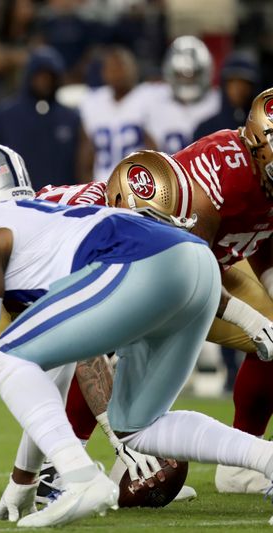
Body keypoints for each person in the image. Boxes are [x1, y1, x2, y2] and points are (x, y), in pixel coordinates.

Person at [0, 148, 200, 507]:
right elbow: (78, 344)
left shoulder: (108, 225)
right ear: (123, 202)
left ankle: (50, 469)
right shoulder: (91, 226)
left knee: (49, 350)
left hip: (2, 264)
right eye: (151, 222)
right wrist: (121, 438)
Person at [0, 196, 273, 528]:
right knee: (140, 426)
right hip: (196, 272)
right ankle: (266, 458)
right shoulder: (78, 219)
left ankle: (75, 473)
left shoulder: (64, 230)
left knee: (8, 354)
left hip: (156, 272)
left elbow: (75, 354)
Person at [173, 88, 273, 494]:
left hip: (217, 262)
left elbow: (264, 235)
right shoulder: (225, 170)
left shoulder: (261, 176)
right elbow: (184, 266)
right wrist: (250, 318)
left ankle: (240, 462)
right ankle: (83, 462)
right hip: (159, 264)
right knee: (124, 355)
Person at [0, 46, 81, 187]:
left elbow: (82, 164)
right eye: (39, 76)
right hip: (19, 201)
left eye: (50, 77)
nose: (44, 81)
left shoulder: (71, 117)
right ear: (29, 77)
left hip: (63, 202)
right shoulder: (6, 115)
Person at [78, 46, 155, 182]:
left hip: (140, 185)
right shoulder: (94, 102)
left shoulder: (148, 97)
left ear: (133, 68)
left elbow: (156, 150)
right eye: (111, 68)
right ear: (103, 73)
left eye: (121, 67)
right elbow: (87, 156)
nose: (116, 73)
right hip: (102, 186)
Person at [145, 36, 220, 154]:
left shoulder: (218, 101)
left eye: (193, 74)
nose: (187, 80)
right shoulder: (153, 100)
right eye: (181, 74)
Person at [194, 51, 260, 140]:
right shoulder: (206, 128)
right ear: (224, 85)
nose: (238, 88)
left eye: (244, 83)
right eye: (232, 82)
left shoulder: (263, 127)